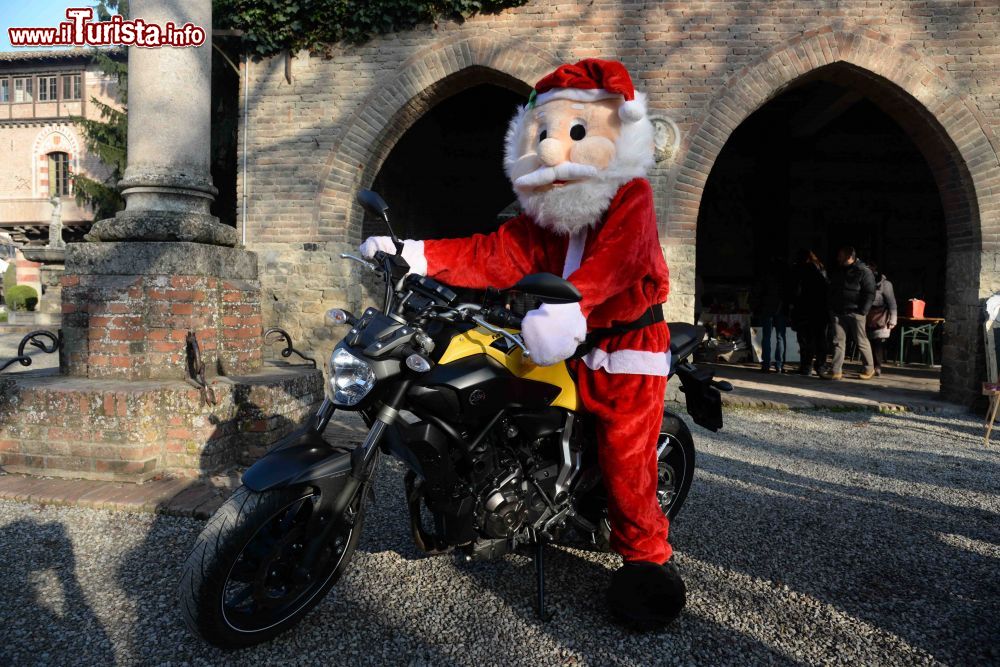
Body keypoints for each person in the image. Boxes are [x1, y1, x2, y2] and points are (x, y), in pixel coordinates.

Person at [359, 59, 684, 628]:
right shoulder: (545, 215)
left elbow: (619, 262)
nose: (556, 151)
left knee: (626, 454)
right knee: (492, 402)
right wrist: (415, 254)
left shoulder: (629, 196)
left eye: (576, 132)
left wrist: (569, 306)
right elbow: (496, 253)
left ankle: (646, 559)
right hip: (554, 334)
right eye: (547, 135)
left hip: (623, 346)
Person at [824, 246, 876, 380]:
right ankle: (835, 370)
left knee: (861, 341)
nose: (838, 258)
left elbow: (870, 292)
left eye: (840, 255)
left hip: (856, 311)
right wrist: (831, 306)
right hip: (838, 311)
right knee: (837, 341)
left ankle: (869, 368)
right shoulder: (839, 270)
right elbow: (832, 288)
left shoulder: (864, 271)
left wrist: (863, 310)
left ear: (849, 257)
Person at [789, 249, 829, 376]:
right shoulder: (822, 269)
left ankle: (806, 366)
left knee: (806, 340)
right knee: (820, 339)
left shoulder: (800, 270)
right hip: (821, 310)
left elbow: (796, 291)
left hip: (804, 309)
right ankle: (821, 366)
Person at [752, 255, 789, 373]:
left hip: (767, 308)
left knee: (766, 337)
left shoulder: (765, 275)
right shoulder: (784, 277)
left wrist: (758, 306)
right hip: (781, 308)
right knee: (780, 337)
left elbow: (758, 291)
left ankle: (766, 364)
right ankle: (779, 365)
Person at [865, 261, 897, 376]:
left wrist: (893, 320)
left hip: (881, 316)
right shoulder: (863, 281)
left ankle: (877, 366)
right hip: (866, 316)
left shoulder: (885, 284)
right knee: (866, 343)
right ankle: (869, 367)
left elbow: (892, 303)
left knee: (877, 342)